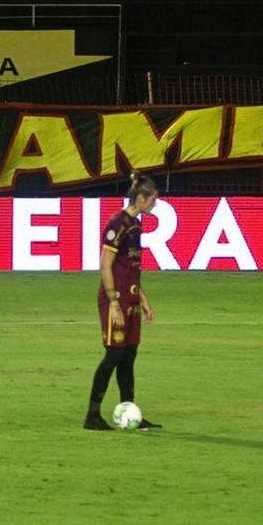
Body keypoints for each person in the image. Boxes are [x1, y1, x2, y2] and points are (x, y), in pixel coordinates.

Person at [84, 172, 162, 431]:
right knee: (114, 354)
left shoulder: (135, 225)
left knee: (129, 355)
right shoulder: (117, 224)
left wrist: (144, 300)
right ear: (140, 198)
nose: (154, 204)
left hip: (131, 299)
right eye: (152, 200)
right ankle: (92, 415)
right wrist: (114, 302)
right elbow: (105, 265)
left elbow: (130, 268)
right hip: (114, 301)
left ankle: (130, 412)